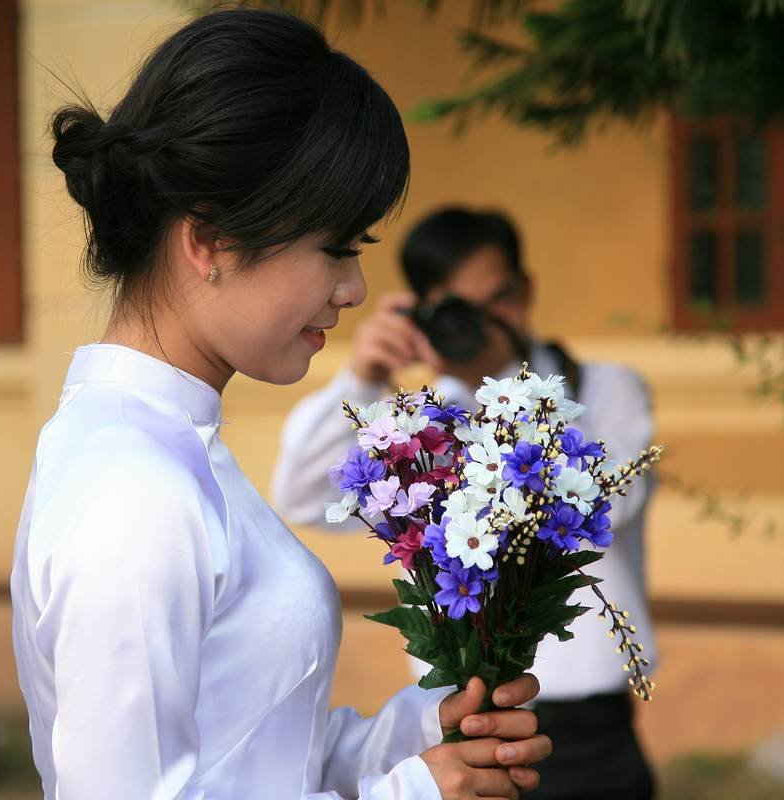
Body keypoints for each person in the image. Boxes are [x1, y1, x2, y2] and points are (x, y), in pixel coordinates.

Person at [9, 12, 553, 799]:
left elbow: (253, 752)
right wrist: (413, 794)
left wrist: (419, 734)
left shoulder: (163, 448)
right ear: (215, 240)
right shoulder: (133, 491)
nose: (354, 290)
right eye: (336, 248)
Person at [273, 207, 659, 800]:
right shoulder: (425, 422)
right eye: (461, 309)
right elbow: (300, 495)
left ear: (526, 290)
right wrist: (362, 379)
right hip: (461, 719)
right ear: (426, 315)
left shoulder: (601, 389)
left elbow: (599, 508)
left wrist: (500, 384)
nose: (487, 322)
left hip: (589, 729)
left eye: (499, 299)